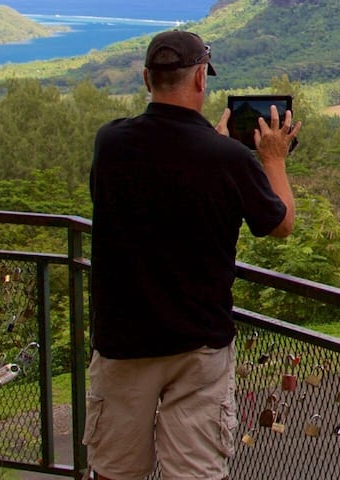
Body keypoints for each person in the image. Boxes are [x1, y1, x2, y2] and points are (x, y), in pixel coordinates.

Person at [84, 30, 297, 480]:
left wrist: (212, 145)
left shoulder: (110, 143)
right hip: (199, 344)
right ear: (201, 79)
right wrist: (273, 159)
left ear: (147, 78)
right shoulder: (227, 160)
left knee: (113, 471)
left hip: (123, 340)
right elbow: (279, 225)